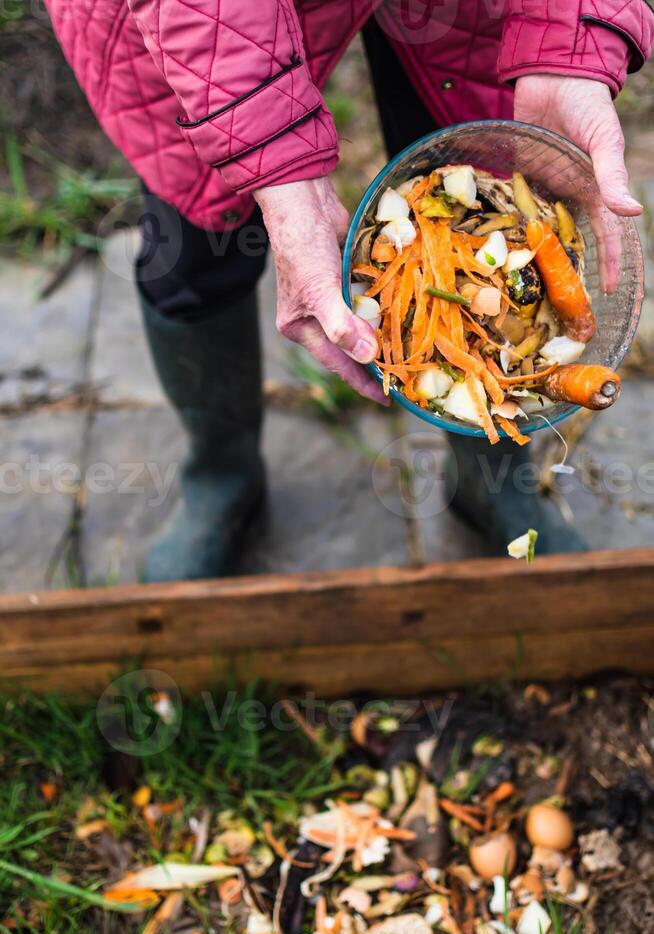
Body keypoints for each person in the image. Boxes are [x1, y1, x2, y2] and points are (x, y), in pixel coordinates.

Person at [46, 0, 653, 581]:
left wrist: (567, 38)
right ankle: (222, 474)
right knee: (195, 247)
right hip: (201, 27)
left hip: (477, 12)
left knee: (481, 159)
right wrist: (268, 152)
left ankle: (489, 484)